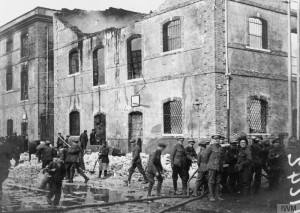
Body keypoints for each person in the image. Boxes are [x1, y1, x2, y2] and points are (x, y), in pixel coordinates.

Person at [203, 135, 225, 202]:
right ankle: (212, 196)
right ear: (213, 140)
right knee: (211, 182)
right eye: (215, 139)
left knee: (218, 181)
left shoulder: (221, 148)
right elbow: (205, 157)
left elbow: (222, 157)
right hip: (212, 167)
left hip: (219, 167)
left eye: (218, 139)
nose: (216, 140)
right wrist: (209, 164)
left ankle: (217, 196)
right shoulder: (210, 147)